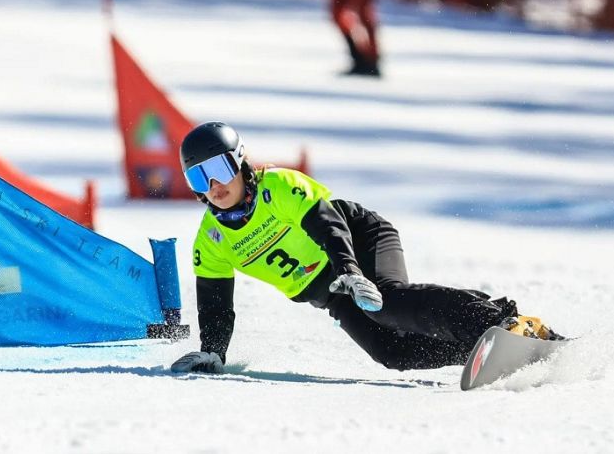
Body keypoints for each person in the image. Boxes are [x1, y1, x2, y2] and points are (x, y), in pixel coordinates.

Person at [171, 122, 561, 374]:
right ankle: (491, 345)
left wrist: (351, 272)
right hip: (330, 291)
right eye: (197, 177)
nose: (213, 187)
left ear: (241, 163)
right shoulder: (211, 242)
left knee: (386, 302)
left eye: (219, 170)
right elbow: (216, 305)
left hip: (359, 241)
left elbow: (328, 227)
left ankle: (496, 321)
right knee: (392, 351)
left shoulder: (279, 187)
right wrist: (213, 352)